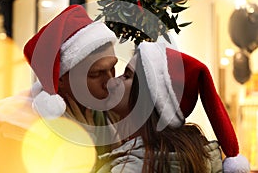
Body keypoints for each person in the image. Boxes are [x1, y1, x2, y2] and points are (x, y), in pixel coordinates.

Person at [0, 4, 119, 172]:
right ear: (60, 79)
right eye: (96, 74)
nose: (110, 81)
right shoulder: (9, 130)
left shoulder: (109, 119)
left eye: (113, 67)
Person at [96, 41, 250, 173]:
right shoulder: (202, 157)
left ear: (148, 98)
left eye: (127, 76)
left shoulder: (131, 167)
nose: (114, 81)